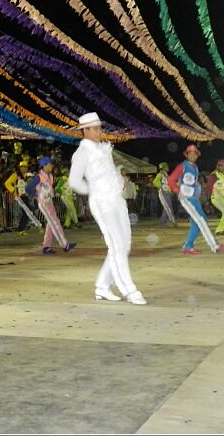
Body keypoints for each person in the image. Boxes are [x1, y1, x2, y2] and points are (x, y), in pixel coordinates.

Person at [68, 112, 146, 305]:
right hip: (102, 202)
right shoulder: (83, 153)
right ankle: (129, 289)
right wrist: (94, 190)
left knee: (124, 245)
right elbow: (74, 181)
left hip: (117, 199)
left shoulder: (103, 149)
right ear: (85, 131)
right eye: (95, 129)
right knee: (116, 245)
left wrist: (118, 181)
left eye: (99, 128)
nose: (99, 132)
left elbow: (109, 173)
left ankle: (102, 286)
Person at [168, 146, 224, 255]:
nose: (193, 156)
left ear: (197, 155)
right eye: (190, 153)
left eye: (195, 154)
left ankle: (188, 246)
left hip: (194, 199)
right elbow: (171, 180)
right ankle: (214, 245)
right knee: (201, 220)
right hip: (187, 198)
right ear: (187, 154)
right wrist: (178, 191)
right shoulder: (182, 166)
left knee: (198, 222)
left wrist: (197, 192)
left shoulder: (195, 167)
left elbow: (194, 183)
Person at [28, 157, 75, 254]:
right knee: (55, 222)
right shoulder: (38, 177)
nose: (52, 166)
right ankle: (65, 245)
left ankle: (46, 246)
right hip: (44, 203)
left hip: (49, 202)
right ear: (44, 166)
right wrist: (36, 196)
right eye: (49, 164)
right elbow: (28, 188)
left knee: (51, 224)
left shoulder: (50, 176)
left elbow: (49, 189)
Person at [4, 160, 32, 233]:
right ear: (20, 168)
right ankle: (21, 228)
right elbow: (7, 183)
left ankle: (21, 228)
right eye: (23, 167)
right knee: (27, 211)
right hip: (19, 196)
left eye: (26, 167)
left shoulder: (26, 175)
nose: (25, 168)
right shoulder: (16, 175)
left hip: (24, 196)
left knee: (27, 211)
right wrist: (13, 190)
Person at [152, 162, 176, 226]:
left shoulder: (166, 175)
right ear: (164, 167)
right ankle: (172, 221)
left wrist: (170, 190)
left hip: (167, 193)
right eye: (167, 166)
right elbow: (154, 182)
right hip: (163, 193)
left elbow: (168, 184)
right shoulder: (160, 174)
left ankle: (163, 222)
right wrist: (161, 187)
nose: (168, 167)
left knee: (167, 207)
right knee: (168, 206)